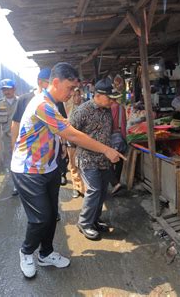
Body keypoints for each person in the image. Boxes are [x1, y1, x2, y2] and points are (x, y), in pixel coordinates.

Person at [11, 63, 124, 278]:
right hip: (28, 170)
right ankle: (26, 252)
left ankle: (46, 253)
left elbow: (59, 134)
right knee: (40, 218)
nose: (73, 93)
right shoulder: (42, 105)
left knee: (52, 215)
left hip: (49, 167)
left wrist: (61, 150)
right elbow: (71, 134)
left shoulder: (54, 104)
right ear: (55, 82)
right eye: (70, 88)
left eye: (74, 89)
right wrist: (106, 149)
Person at [70, 77, 122, 240]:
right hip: (87, 159)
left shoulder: (107, 111)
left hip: (103, 159)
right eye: (109, 98)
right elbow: (70, 134)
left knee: (102, 191)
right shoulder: (82, 111)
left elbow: (108, 133)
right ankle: (84, 223)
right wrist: (71, 158)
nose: (112, 102)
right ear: (98, 95)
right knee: (94, 190)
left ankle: (94, 220)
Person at [0, 78, 19, 194]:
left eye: (8, 89)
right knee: (10, 162)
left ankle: (25, 182)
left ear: (14, 89)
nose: (6, 92)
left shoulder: (21, 101)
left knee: (23, 161)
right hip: (7, 139)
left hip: (22, 138)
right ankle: (16, 185)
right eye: (4, 90)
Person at [66, 88, 86, 198]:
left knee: (83, 165)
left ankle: (83, 188)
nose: (77, 98)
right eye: (74, 95)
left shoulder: (86, 108)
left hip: (83, 141)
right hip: (71, 142)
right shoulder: (68, 109)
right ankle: (76, 187)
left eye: (78, 95)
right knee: (73, 166)